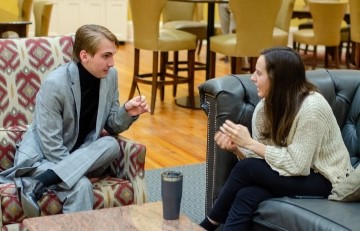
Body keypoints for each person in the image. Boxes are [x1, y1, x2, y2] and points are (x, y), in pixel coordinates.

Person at [0, 24, 150, 217]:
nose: (112, 63)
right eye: (106, 56)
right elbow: (51, 146)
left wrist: (128, 112)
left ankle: (41, 183)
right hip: (43, 159)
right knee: (81, 186)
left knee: (111, 144)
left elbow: (112, 125)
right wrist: (77, 171)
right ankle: (42, 178)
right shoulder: (56, 84)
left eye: (112, 55)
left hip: (78, 157)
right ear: (84, 55)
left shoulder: (110, 77)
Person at [199, 47, 353, 230]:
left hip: (325, 179)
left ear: (278, 79)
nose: (252, 78)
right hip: (294, 173)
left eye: (258, 73)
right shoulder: (264, 108)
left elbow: (298, 165)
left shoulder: (312, 108)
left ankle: (206, 225)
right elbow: (265, 161)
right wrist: (237, 148)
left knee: (246, 168)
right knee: (247, 194)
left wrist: (249, 143)